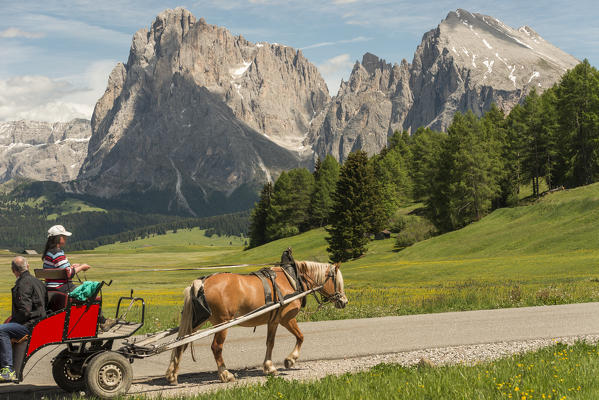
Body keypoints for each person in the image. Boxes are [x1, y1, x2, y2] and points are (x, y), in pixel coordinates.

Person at [0, 257, 47, 381]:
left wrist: (14, 321)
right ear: (28, 266)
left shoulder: (23, 284)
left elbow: (25, 311)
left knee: (1, 330)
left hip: (30, 325)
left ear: (13, 270)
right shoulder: (38, 281)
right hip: (40, 322)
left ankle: (7, 369)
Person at [42, 225, 91, 293]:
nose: (66, 238)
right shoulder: (57, 253)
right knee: (91, 288)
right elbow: (69, 273)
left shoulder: (49, 252)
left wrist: (71, 267)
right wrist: (82, 267)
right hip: (62, 287)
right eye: (64, 236)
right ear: (58, 238)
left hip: (49, 287)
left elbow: (61, 270)